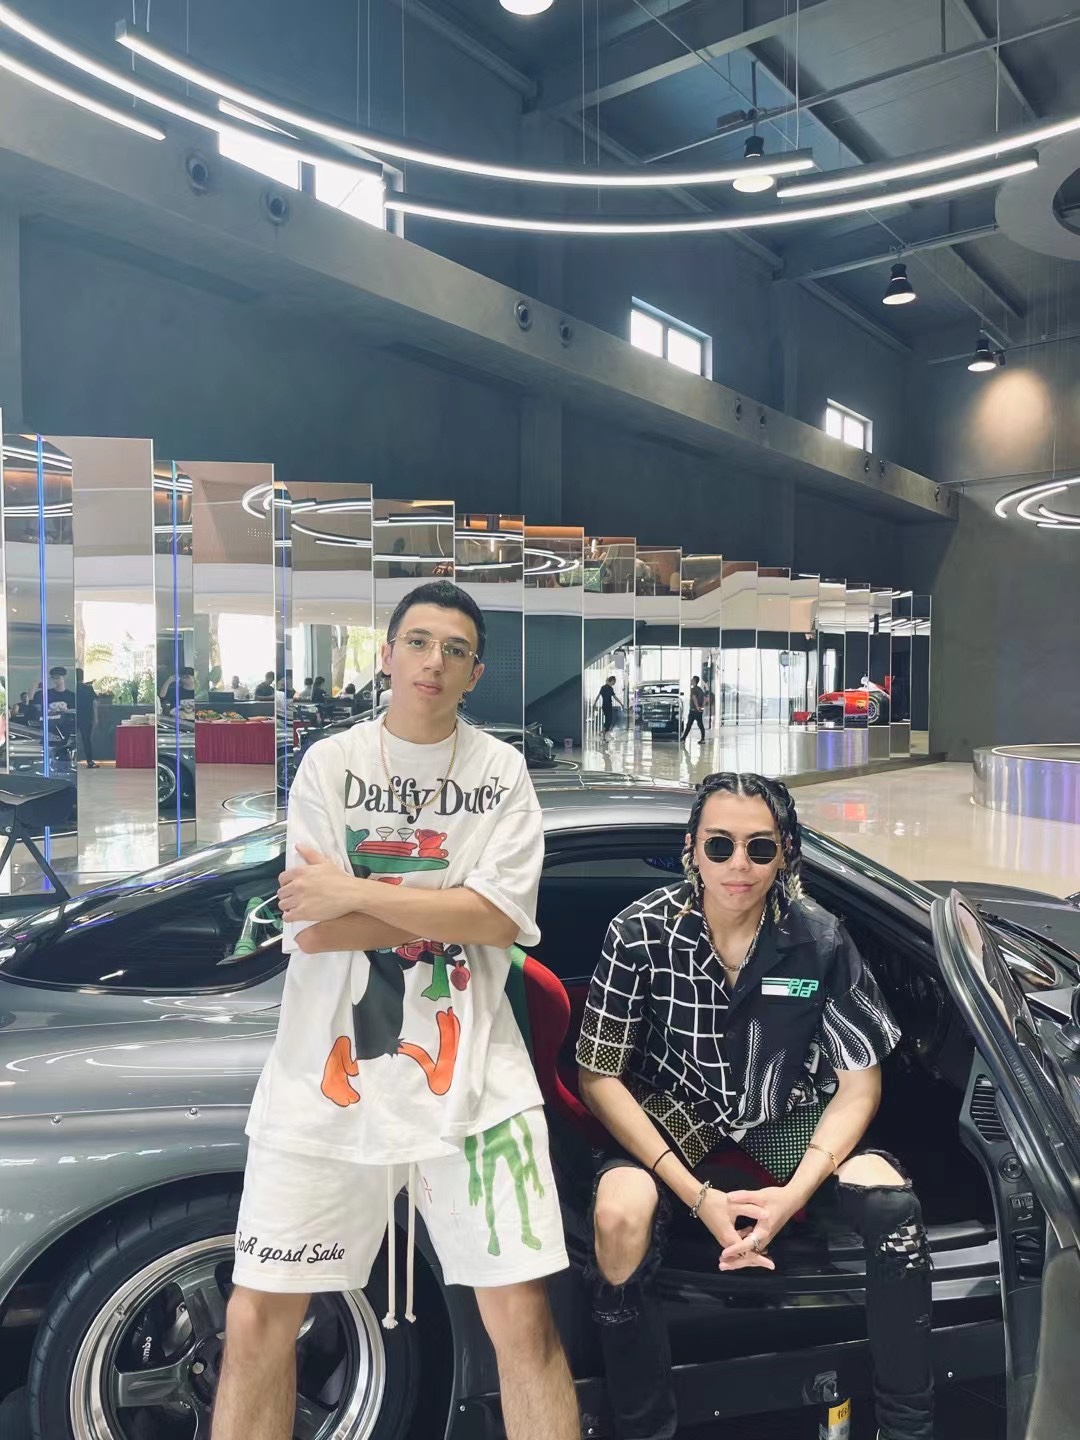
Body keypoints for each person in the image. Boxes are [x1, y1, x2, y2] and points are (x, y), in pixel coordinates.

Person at [213, 580, 578, 1440]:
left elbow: (500, 921)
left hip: (476, 1083)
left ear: (475, 673)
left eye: (454, 650)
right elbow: (314, 929)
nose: (433, 661)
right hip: (326, 1077)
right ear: (386, 655)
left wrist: (356, 890)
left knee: (524, 1321)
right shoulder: (330, 765)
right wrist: (447, 903)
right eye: (417, 642)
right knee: (257, 1317)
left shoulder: (500, 771)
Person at [577, 771, 932, 1440]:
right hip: (673, 1127)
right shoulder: (639, 933)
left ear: (785, 853)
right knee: (617, 1216)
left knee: (893, 1207)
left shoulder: (820, 939)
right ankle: (644, 1428)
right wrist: (695, 1196)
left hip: (784, 1129)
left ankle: (906, 1427)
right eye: (720, 845)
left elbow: (860, 1083)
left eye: (759, 848)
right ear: (692, 849)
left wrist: (795, 1194)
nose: (738, 865)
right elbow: (599, 1077)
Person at [75, 668, 98, 769]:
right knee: (86, 739)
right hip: (86, 717)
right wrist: (96, 718)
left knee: (71, 739)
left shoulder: (73, 689)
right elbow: (94, 703)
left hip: (74, 717)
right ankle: (90, 761)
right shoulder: (88, 688)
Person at [681, 674, 706, 743]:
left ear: (694, 681)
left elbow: (694, 698)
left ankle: (683, 739)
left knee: (689, 725)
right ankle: (703, 739)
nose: (691, 681)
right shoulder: (700, 689)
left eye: (692, 680)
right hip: (699, 711)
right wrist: (702, 707)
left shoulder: (693, 689)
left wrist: (697, 707)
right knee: (700, 725)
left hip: (693, 710)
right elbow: (705, 698)